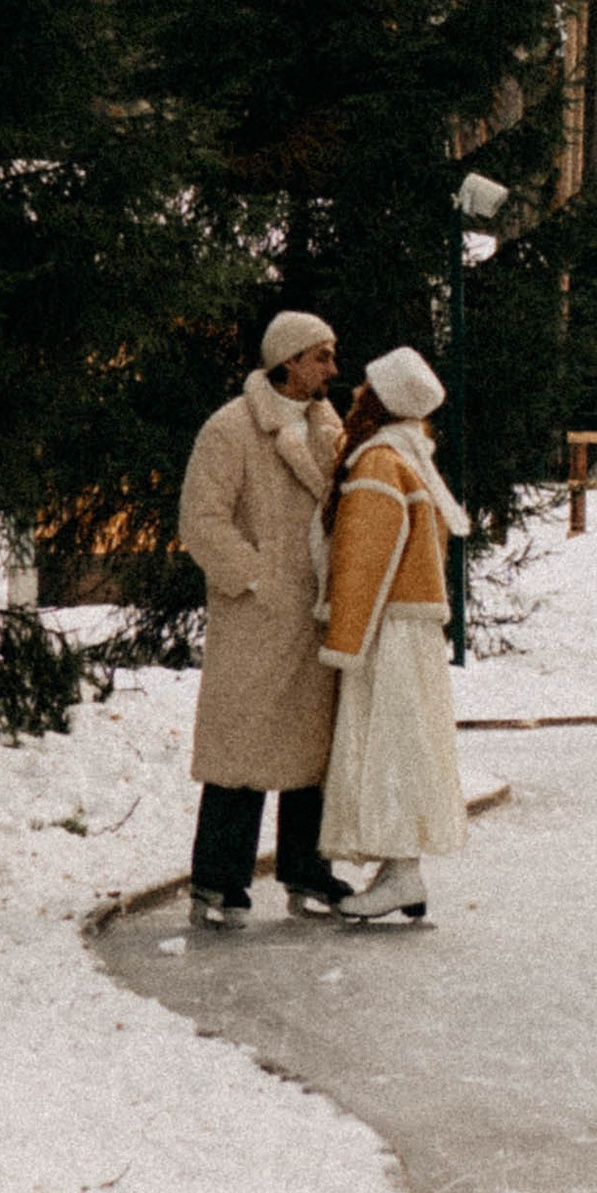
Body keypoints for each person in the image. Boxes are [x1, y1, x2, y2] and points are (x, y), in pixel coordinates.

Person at [177, 309, 360, 931]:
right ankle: (218, 879)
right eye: (321, 355)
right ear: (287, 360)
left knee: (312, 748)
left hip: (315, 616)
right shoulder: (231, 429)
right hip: (257, 619)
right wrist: (257, 578)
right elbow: (201, 521)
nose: (334, 368)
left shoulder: (327, 428)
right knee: (243, 748)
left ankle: (306, 868)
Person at [318, 345, 471, 923]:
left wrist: (343, 634)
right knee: (407, 741)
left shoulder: (380, 461)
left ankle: (402, 869)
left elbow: (364, 556)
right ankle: (398, 868)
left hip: (388, 627)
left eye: (365, 386)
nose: (355, 392)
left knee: (387, 745)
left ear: (380, 400)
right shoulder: (411, 455)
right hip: (411, 624)